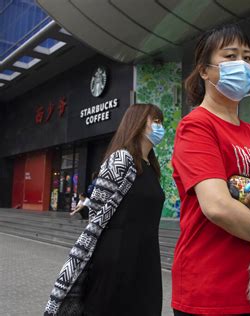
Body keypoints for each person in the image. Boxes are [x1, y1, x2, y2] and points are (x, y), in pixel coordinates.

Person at [171, 24, 250, 316]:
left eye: (247, 58)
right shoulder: (196, 126)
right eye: (230, 56)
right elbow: (217, 206)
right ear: (204, 70)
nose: (241, 65)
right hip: (212, 291)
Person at [45, 103, 166, 316]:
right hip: (117, 257)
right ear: (137, 123)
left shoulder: (151, 166)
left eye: (161, 122)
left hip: (146, 257)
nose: (160, 126)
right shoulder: (122, 159)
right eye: (155, 121)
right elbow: (97, 213)